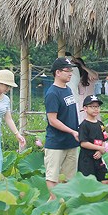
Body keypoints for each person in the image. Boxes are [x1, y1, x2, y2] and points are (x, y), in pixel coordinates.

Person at [44, 57, 80, 199]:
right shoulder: (52, 93)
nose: (70, 73)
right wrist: (72, 131)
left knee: (68, 177)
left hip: (71, 142)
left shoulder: (68, 90)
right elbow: (52, 120)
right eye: (67, 70)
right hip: (56, 143)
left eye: (71, 70)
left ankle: (62, 204)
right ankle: (54, 203)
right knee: (52, 176)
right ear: (58, 72)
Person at [78, 95, 108, 184]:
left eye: (97, 107)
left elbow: (104, 139)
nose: (96, 109)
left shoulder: (100, 124)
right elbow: (83, 143)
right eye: (92, 107)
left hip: (98, 158)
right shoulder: (84, 125)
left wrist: (101, 151)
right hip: (86, 159)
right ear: (85, 108)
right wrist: (99, 148)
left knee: (106, 180)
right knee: (88, 183)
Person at [75, 57, 99, 122]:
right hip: (80, 104)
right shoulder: (74, 77)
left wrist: (83, 67)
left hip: (90, 103)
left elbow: (95, 76)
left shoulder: (89, 75)